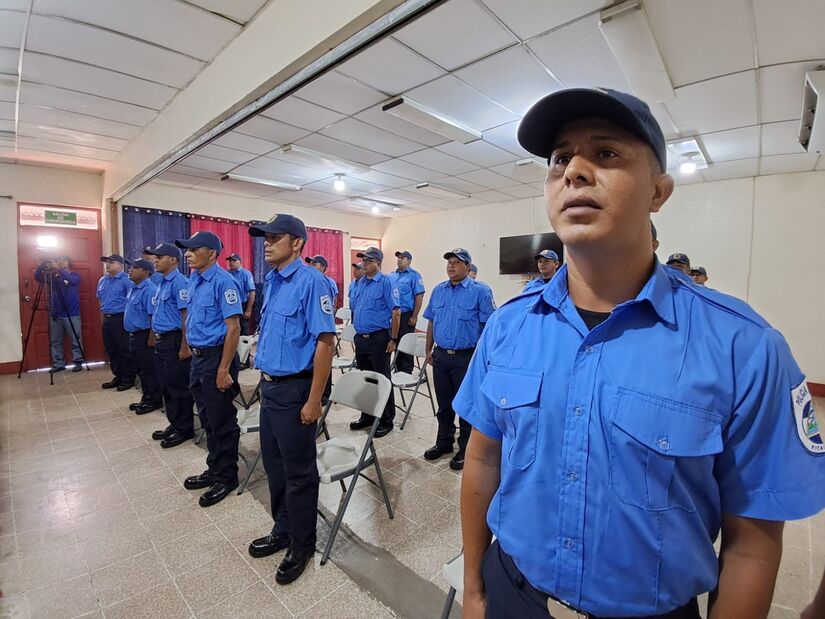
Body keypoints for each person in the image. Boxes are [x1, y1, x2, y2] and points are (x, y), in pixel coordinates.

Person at [454, 87, 825, 619]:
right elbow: (483, 457)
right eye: (560, 158)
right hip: (512, 591)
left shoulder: (744, 346)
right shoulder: (510, 325)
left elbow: (752, 543)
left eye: (606, 154)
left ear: (658, 191)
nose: (574, 171)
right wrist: (474, 588)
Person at [246, 214, 336, 585]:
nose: (266, 243)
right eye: (264, 238)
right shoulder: (273, 281)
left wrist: (314, 401)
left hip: (296, 390)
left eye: (275, 237)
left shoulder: (312, 283)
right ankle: (282, 528)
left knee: (300, 474)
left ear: (297, 243)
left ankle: (302, 543)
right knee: (275, 466)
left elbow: (325, 343)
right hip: (271, 388)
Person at [175, 231, 243, 507]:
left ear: (212, 253)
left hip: (217, 358)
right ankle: (214, 467)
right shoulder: (194, 280)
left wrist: (224, 369)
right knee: (207, 417)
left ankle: (227, 476)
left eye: (194, 249)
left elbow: (234, 328)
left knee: (222, 419)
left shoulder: (223, 282)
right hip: (199, 358)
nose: (188, 254)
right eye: (186, 250)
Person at [423, 247, 494, 471]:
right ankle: (444, 442)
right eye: (449, 262)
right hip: (441, 356)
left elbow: (489, 328)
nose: (451, 265)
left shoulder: (480, 291)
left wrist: (483, 359)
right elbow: (431, 322)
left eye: (456, 262)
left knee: (466, 405)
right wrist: (428, 351)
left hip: (467, 358)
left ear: (467, 266)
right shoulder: (438, 290)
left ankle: (466, 447)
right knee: (444, 405)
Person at [146, 243, 195, 448]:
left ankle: (184, 427)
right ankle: (174, 423)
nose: (155, 260)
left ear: (173, 260)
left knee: (178, 387)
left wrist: (185, 346)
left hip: (176, 340)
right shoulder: (162, 283)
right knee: (167, 385)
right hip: (163, 340)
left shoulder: (179, 283)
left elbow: (186, 317)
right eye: (154, 257)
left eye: (160, 257)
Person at [348, 247, 400, 437]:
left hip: (379, 339)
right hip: (361, 339)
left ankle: (387, 420)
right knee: (366, 380)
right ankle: (367, 416)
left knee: (382, 379)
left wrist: (393, 339)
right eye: (363, 260)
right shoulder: (361, 283)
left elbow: (396, 312)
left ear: (378, 263)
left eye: (368, 261)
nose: (364, 263)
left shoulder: (387, 283)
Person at [123, 258, 162, 415]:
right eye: (131, 267)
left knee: (149, 370)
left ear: (146, 272)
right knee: (141, 369)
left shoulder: (149, 290)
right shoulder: (134, 288)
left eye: (135, 267)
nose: (130, 270)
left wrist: (152, 338)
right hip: (135, 335)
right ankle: (146, 397)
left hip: (145, 335)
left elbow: (153, 316)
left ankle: (154, 399)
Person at [35, 255, 84, 373]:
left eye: (63, 260)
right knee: (55, 340)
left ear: (69, 262)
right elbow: (37, 277)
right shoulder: (52, 277)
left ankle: (78, 361)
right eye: (58, 260)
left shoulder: (74, 275)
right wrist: (41, 265)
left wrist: (59, 269)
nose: (61, 262)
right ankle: (58, 363)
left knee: (75, 339)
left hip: (72, 313)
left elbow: (74, 281)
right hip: (56, 314)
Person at [97, 254, 136, 391]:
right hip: (107, 319)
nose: (107, 265)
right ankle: (118, 376)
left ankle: (127, 378)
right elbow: (100, 301)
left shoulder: (127, 280)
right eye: (106, 262)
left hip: (121, 318)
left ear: (120, 265)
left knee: (124, 350)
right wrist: (103, 319)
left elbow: (132, 302)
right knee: (111, 350)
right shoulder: (102, 280)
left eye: (111, 262)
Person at [389, 250, 425, 374]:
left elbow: (419, 296)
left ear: (409, 261)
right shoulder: (392, 275)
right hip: (393, 315)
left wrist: (414, 316)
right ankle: (396, 367)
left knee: (406, 344)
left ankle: (405, 371)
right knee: (393, 341)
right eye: (398, 258)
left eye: (402, 258)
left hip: (406, 315)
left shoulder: (414, 276)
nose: (399, 259)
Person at [226, 253, 256, 335]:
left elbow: (252, 292)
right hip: (230, 305)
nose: (231, 262)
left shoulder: (246, 274)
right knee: (230, 328)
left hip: (242, 305)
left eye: (234, 260)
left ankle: (244, 348)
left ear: (240, 262)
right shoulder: (227, 274)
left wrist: (248, 310)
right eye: (230, 261)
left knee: (243, 328)